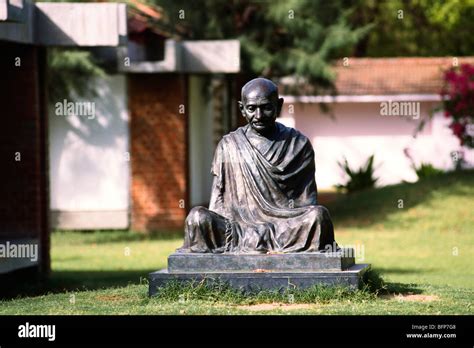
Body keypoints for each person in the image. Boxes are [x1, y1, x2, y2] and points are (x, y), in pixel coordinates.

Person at [178, 77, 336, 254]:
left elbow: (307, 203)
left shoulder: (298, 145)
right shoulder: (229, 144)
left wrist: (279, 224)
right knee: (197, 217)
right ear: (242, 108)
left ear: (279, 105)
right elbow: (218, 204)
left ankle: (262, 244)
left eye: (266, 107)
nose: (258, 116)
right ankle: (252, 244)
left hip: (283, 228)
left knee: (318, 217)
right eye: (252, 108)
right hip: (237, 229)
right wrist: (233, 228)